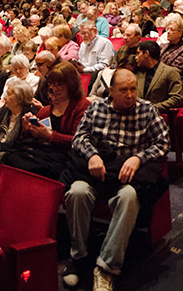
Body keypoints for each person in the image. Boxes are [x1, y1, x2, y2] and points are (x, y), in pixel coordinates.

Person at [61, 68, 170, 291]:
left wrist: (139, 158)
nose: (130, 95)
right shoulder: (97, 107)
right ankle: (79, 257)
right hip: (97, 171)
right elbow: (79, 137)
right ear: (111, 91)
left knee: (130, 196)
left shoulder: (147, 110)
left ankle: (106, 268)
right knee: (77, 193)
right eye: (123, 90)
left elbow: (164, 143)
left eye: (133, 89)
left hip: (128, 176)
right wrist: (92, 154)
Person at [1, 62, 92, 180]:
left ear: (71, 85)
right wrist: (28, 129)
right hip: (42, 154)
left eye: (60, 84)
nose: (54, 88)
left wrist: (50, 135)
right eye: (52, 84)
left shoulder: (82, 107)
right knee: (12, 158)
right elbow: (27, 138)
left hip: (66, 159)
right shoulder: (46, 110)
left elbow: (79, 140)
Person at [133, 41, 183, 114]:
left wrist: (152, 108)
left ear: (146, 53)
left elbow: (177, 99)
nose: (136, 57)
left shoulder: (171, 72)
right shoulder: (137, 72)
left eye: (138, 53)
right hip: (137, 116)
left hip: (159, 116)